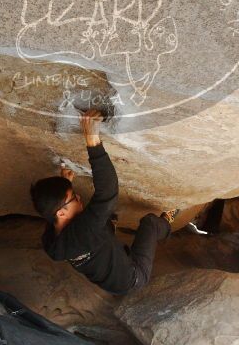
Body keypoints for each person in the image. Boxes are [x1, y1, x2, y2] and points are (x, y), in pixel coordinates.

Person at [30, 109, 179, 295]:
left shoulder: (52, 240)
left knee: (104, 219)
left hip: (109, 272)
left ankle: (110, 227)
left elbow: (55, 210)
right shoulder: (83, 232)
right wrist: (92, 140)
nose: (79, 197)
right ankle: (166, 225)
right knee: (149, 222)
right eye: (74, 197)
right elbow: (107, 191)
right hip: (134, 276)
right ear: (60, 212)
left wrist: (65, 185)